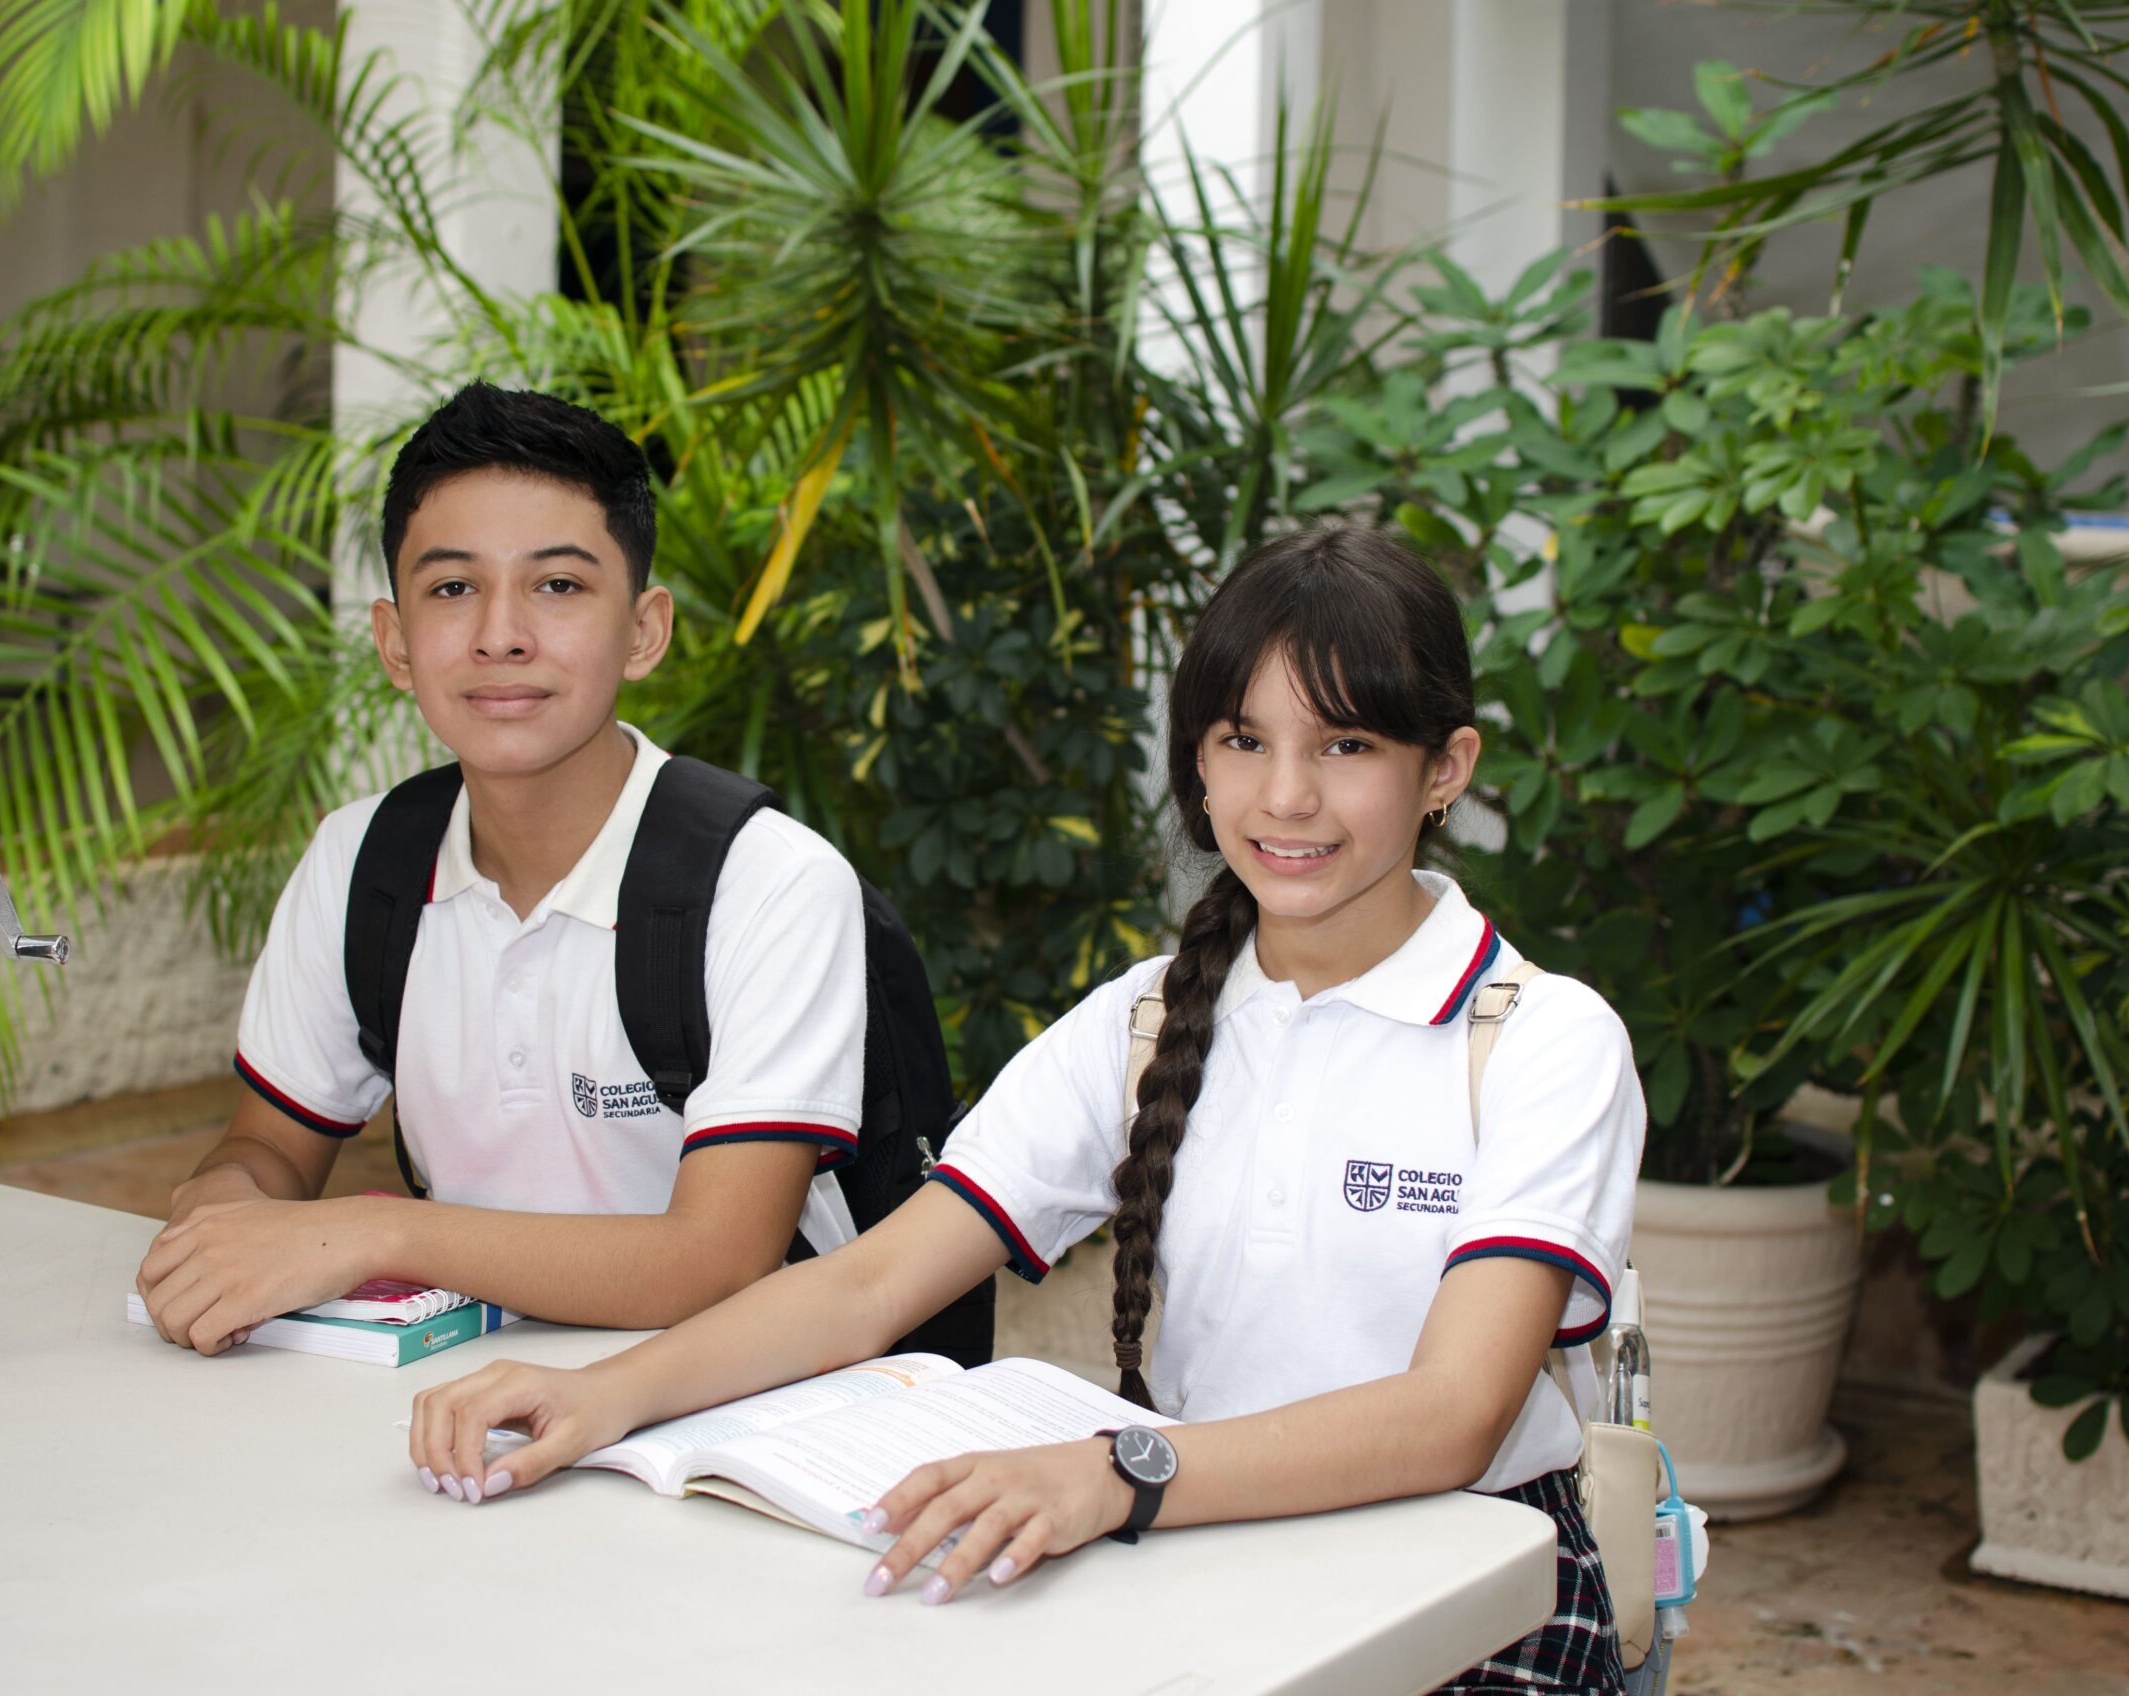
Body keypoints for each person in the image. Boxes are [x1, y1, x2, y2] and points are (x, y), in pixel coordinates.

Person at [406, 526, 1645, 1695]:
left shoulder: (1544, 1039)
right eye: (1240, 739)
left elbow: (1453, 1413)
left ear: (1446, 770)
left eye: (1345, 747)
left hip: (1482, 1593)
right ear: (1194, 762)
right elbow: (864, 1285)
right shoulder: (1143, 1020)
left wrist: (1111, 1475)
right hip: (1210, 1552)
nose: (1284, 799)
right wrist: (610, 1396)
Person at [135, 383, 871, 1353]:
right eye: (451, 588)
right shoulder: (361, 863)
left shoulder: (769, 884)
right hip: (457, 1397)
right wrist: (227, 1211)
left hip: (723, 1413)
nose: (499, 633)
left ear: (644, 629)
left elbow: (718, 1259)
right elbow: (268, 1145)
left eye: (558, 585)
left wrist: (376, 1230)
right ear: (394, 641)